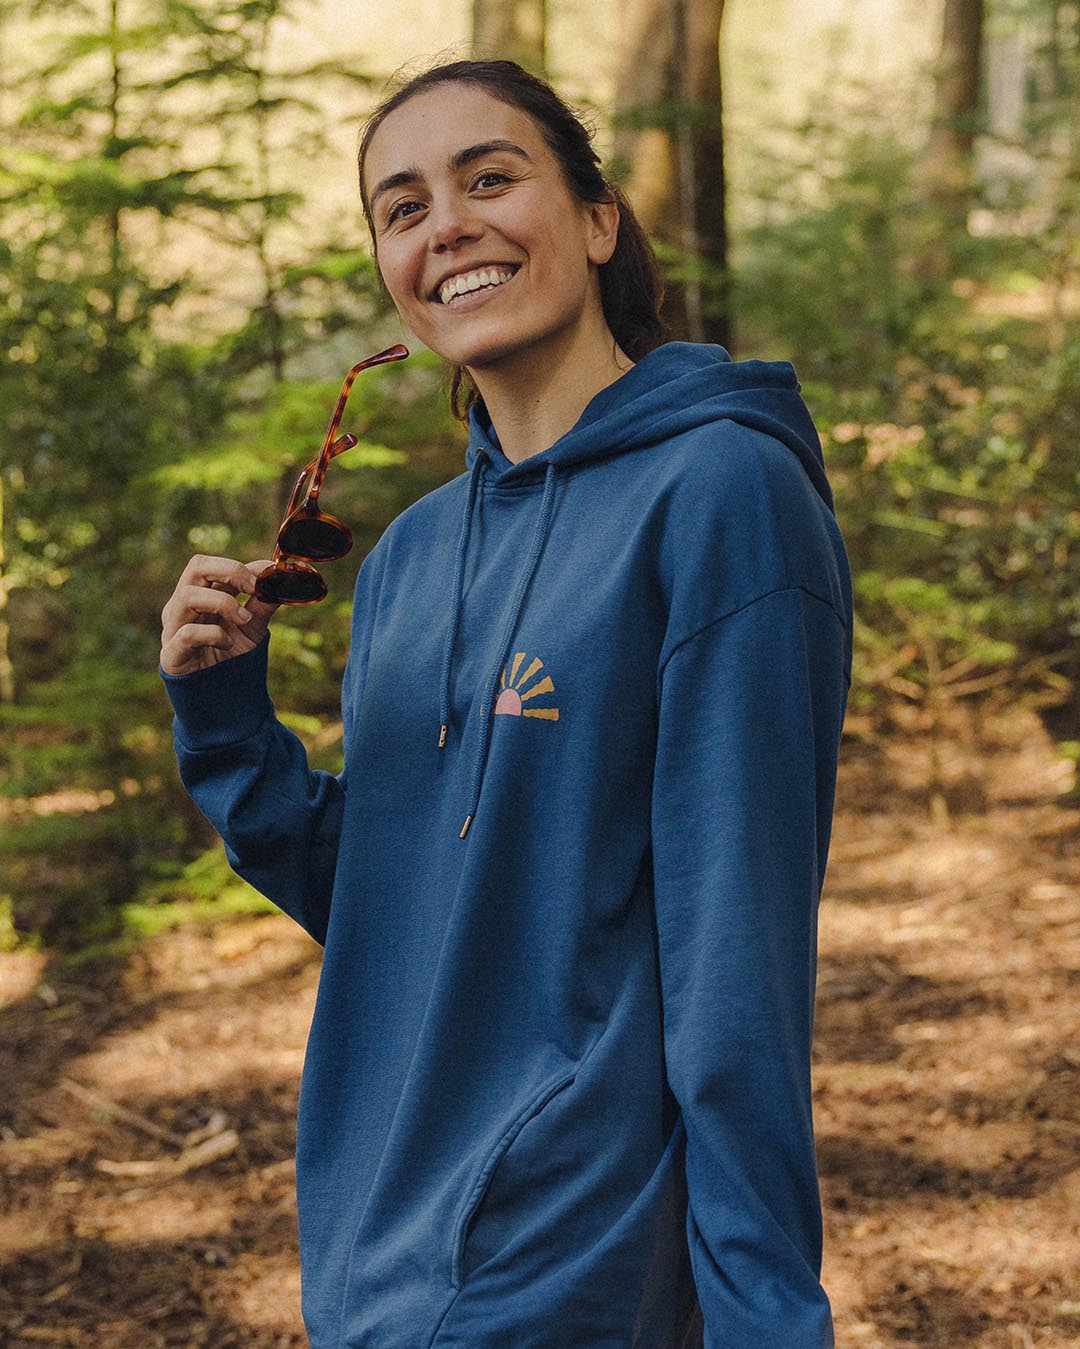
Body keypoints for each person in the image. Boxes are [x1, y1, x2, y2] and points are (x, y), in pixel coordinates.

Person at [160, 57, 852, 1349]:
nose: (447, 226)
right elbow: (402, 905)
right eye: (403, 207)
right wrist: (227, 724)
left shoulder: (720, 492)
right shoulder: (410, 558)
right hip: (374, 1249)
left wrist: (766, 1311)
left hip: (571, 1254)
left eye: (489, 179)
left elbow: (740, 951)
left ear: (596, 220)